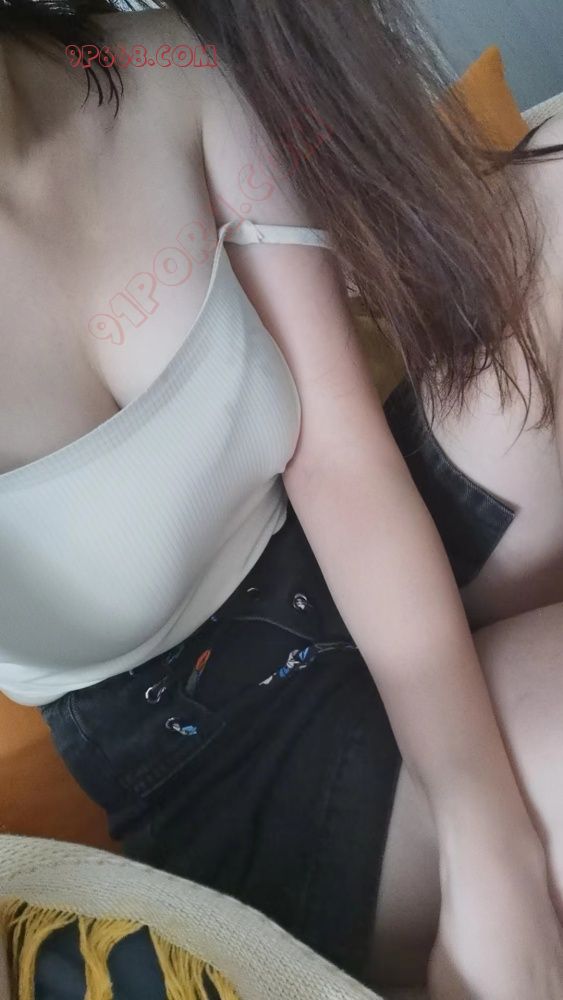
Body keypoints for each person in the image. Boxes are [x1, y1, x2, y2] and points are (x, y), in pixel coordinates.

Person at [0, 1, 562, 997]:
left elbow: (340, 461)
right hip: (230, 763)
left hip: (358, 554)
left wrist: (491, 847)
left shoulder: (162, 62)